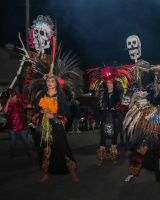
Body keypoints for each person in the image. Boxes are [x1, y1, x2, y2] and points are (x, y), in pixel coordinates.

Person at [19, 34, 82, 181]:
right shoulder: (41, 95)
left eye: (52, 81)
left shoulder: (61, 97)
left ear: (56, 83)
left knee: (64, 150)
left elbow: (66, 113)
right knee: (45, 151)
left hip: (57, 127)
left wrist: (53, 116)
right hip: (43, 126)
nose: (49, 83)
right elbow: (36, 110)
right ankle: (45, 174)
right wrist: (43, 111)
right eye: (48, 81)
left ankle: (73, 173)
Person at [87, 65, 132, 165]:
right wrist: (94, 119)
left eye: (111, 83)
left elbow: (124, 106)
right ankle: (102, 157)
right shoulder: (101, 95)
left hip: (115, 118)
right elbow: (97, 107)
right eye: (107, 83)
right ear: (105, 83)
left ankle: (113, 156)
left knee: (114, 137)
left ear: (114, 84)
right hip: (104, 117)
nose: (109, 85)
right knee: (103, 137)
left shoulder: (119, 95)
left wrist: (119, 110)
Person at [1, 89, 32, 159]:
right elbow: (5, 111)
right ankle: (12, 153)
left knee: (25, 139)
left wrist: (38, 105)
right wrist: (8, 101)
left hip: (21, 125)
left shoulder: (19, 101)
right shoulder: (6, 103)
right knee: (12, 140)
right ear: (9, 97)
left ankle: (29, 151)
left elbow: (27, 106)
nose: (15, 96)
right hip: (12, 125)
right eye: (13, 95)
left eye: (15, 94)